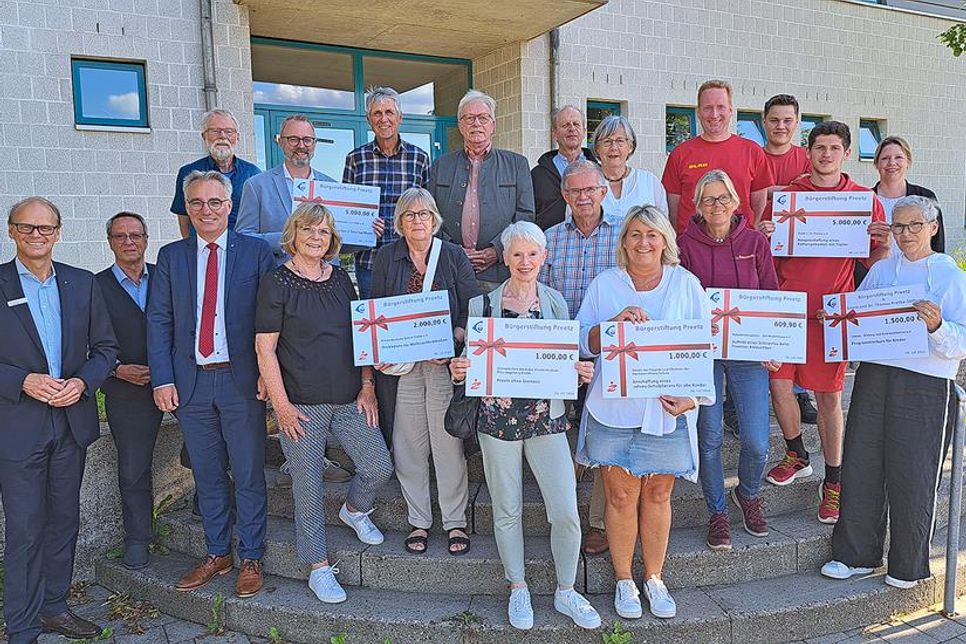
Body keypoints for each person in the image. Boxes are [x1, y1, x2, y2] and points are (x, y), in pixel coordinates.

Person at [449, 221, 600, 631]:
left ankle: (566, 590)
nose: (525, 261)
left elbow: (563, 361)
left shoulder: (555, 302)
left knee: (565, 509)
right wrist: (460, 368)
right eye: (517, 253)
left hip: (546, 417)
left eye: (532, 253)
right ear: (505, 257)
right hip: (496, 418)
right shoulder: (482, 305)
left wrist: (579, 372)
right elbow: (469, 364)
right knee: (506, 508)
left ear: (544, 257)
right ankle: (518, 586)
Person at [821, 195, 966, 589]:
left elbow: (962, 340)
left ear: (933, 227)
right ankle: (855, 555)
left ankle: (908, 565)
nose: (906, 234)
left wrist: (937, 327)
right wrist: (837, 321)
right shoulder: (883, 270)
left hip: (925, 382)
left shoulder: (951, 277)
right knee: (861, 462)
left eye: (914, 225)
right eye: (898, 226)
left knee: (914, 470)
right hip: (876, 375)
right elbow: (859, 318)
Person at [576, 205, 712, 620]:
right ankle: (624, 580)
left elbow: (705, 346)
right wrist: (612, 324)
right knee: (619, 496)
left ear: (665, 240)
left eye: (652, 234)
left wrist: (694, 400)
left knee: (658, 494)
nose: (643, 242)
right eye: (635, 234)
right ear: (624, 241)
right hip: (614, 410)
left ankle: (654, 577)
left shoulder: (685, 284)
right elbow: (582, 342)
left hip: (665, 412)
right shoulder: (606, 284)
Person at [255, 202, 393, 604]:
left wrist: (367, 386)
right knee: (308, 486)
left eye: (324, 231)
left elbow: (361, 336)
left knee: (378, 466)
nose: (316, 237)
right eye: (308, 230)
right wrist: (281, 406)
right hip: (300, 405)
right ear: (293, 234)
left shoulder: (341, 279)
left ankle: (354, 510)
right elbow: (265, 349)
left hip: (349, 398)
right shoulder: (276, 283)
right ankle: (318, 567)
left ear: (332, 239)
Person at [147, 170, 275, 598]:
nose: (206, 210)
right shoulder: (171, 256)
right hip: (191, 383)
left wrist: (267, 374)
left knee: (248, 472)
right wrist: (162, 378)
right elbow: (159, 320)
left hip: (241, 382)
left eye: (215, 202)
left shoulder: (255, 252)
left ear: (229, 206)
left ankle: (251, 555)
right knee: (207, 473)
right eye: (197, 203)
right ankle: (218, 553)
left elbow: (269, 318)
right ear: (186, 208)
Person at [758, 121, 891, 524]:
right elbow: (767, 257)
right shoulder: (788, 197)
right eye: (819, 147)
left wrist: (883, 242)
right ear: (808, 152)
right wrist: (764, 235)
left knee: (829, 399)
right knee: (779, 386)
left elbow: (876, 262)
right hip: (787, 310)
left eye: (834, 148)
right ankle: (797, 454)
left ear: (846, 153)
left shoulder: (863, 201)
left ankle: (834, 480)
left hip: (832, 314)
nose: (826, 155)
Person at [0, 197, 117, 643]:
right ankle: (23, 627)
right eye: (27, 227)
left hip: (70, 422)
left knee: (64, 521)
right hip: (18, 425)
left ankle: (54, 607)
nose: (37, 235)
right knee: (25, 528)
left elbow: (106, 349)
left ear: (58, 232)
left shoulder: (81, 282)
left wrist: (83, 383)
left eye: (45, 228)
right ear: (12, 230)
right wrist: (22, 381)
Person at [370, 187, 479, 555]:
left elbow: (472, 308)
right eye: (410, 214)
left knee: (447, 445)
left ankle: (455, 521)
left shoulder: (452, 255)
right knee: (408, 445)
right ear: (399, 222)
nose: (418, 220)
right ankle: (419, 520)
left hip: (442, 365)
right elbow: (376, 311)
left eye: (424, 214)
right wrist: (378, 350)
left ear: (435, 219)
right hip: (402, 370)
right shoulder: (387, 257)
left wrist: (454, 338)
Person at [678, 170, 779, 551]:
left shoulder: (755, 242)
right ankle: (717, 511)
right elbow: (680, 301)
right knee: (710, 437)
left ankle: (747, 494)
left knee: (756, 440)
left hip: (748, 353)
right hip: (704, 354)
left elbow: (770, 294)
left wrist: (774, 344)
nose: (716, 205)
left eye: (723, 198)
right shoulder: (684, 245)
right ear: (698, 206)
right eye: (708, 199)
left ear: (736, 201)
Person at [539, 159, 622, 557]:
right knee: (558, 435)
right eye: (575, 191)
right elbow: (536, 297)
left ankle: (598, 523)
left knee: (604, 436)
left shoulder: (625, 234)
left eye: (591, 189)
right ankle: (563, 514)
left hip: (609, 354)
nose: (584, 197)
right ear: (564, 195)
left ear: (603, 192)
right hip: (560, 354)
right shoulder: (549, 239)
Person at [96, 211, 164, 571]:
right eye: (120, 236)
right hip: (126, 388)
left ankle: (206, 503)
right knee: (133, 468)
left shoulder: (165, 277)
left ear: (146, 239)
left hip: (175, 382)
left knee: (207, 445)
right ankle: (138, 538)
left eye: (135, 235)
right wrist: (116, 369)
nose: (129, 242)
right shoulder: (95, 287)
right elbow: (81, 342)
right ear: (110, 242)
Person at [428, 89, 535, 292]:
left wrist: (497, 250)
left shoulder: (517, 164)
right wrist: (453, 251)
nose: (476, 123)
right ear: (460, 125)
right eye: (469, 118)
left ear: (493, 125)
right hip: (451, 270)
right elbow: (430, 217)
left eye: (483, 118)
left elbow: (525, 217)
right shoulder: (441, 166)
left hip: (499, 273)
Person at [760, 94, 818, 427]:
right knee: (762, 322)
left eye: (787, 120)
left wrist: (773, 191)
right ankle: (744, 396)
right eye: (774, 120)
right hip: (760, 252)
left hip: (799, 254)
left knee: (796, 321)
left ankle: (800, 391)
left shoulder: (807, 159)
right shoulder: (753, 156)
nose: (780, 126)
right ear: (763, 122)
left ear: (797, 123)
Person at [343, 87, 432, 299]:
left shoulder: (419, 158)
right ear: (369, 120)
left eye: (389, 112)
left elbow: (429, 211)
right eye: (377, 113)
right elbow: (346, 213)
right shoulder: (355, 159)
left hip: (412, 261)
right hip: (369, 263)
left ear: (400, 117)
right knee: (374, 318)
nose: (384, 119)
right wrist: (361, 225)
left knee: (410, 317)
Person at [663, 79, 774, 234]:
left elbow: (758, 206)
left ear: (730, 110)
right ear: (698, 112)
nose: (714, 115)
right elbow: (673, 210)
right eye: (708, 108)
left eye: (721, 107)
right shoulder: (680, 154)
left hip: (740, 242)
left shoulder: (752, 151)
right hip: (692, 244)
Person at [235, 114, 336, 265]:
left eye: (307, 140)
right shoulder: (257, 185)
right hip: (277, 274)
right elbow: (243, 238)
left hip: (325, 275)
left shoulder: (332, 187)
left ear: (314, 144)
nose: (301, 145)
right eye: (293, 139)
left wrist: (367, 233)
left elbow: (340, 240)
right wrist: (286, 238)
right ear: (281, 142)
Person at [171, 109, 261, 238]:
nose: (222, 136)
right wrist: (189, 244)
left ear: (237, 137)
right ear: (204, 137)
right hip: (203, 246)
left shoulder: (253, 173)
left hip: (242, 247)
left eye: (229, 131)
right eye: (215, 131)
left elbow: (259, 216)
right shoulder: (188, 173)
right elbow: (183, 216)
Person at [531, 105, 598, 230]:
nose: (572, 128)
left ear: (584, 131)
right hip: (549, 239)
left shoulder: (598, 171)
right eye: (565, 125)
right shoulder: (537, 175)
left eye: (576, 124)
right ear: (555, 133)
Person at [592, 115, 668, 219]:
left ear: (630, 147)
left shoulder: (649, 182)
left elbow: (663, 225)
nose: (614, 147)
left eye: (620, 141)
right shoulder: (586, 183)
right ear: (597, 148)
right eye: (607, 141)